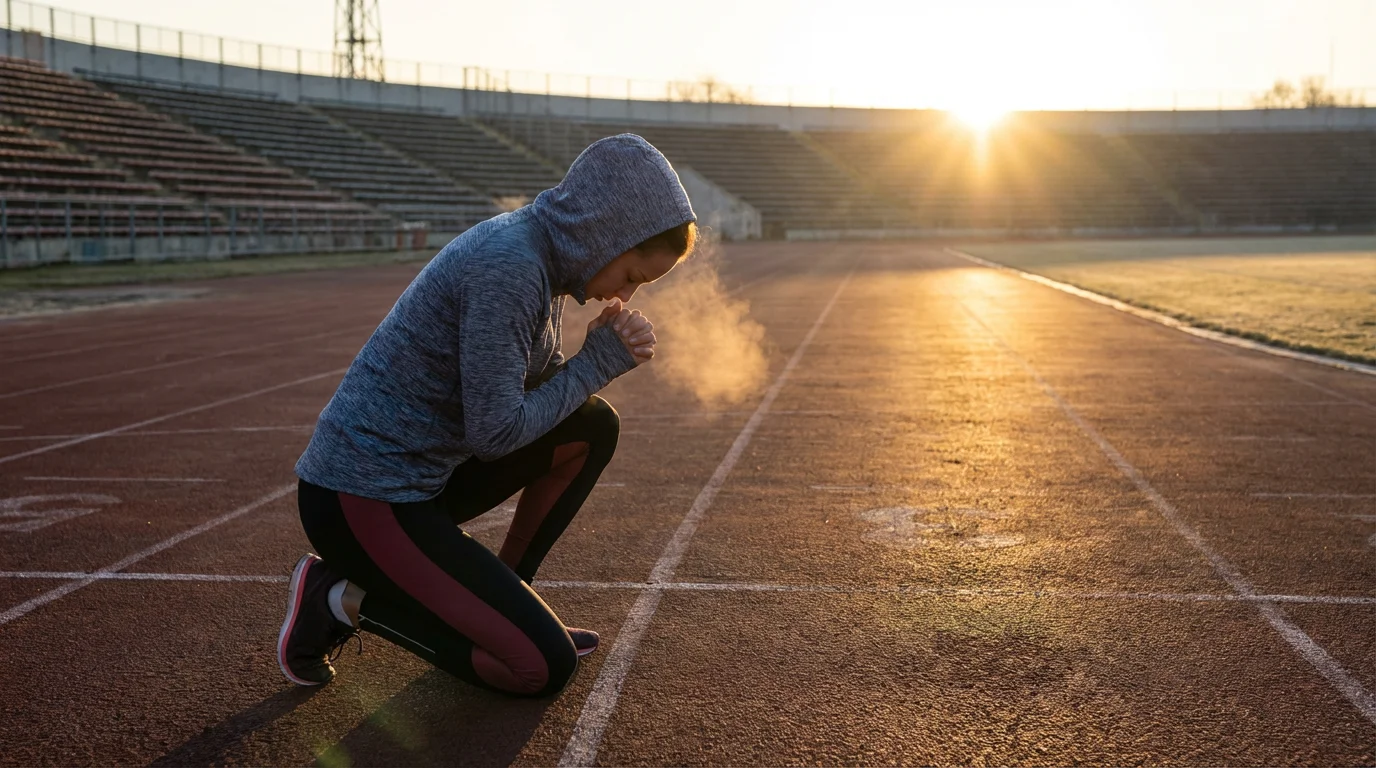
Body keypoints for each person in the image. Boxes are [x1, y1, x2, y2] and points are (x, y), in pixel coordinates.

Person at [277, 134, 697, 697]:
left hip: (425, 482)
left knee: (591, 425)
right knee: (539, 668)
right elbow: (497, 433)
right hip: (363, 495)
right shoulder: (511, 267)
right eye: (632, 276)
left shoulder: (544, 259)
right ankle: (335, 597)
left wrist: (589, 362)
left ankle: (510, 599)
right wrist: (595, 364)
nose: (623, 293)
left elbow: (535, 396)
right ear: (605, 235)